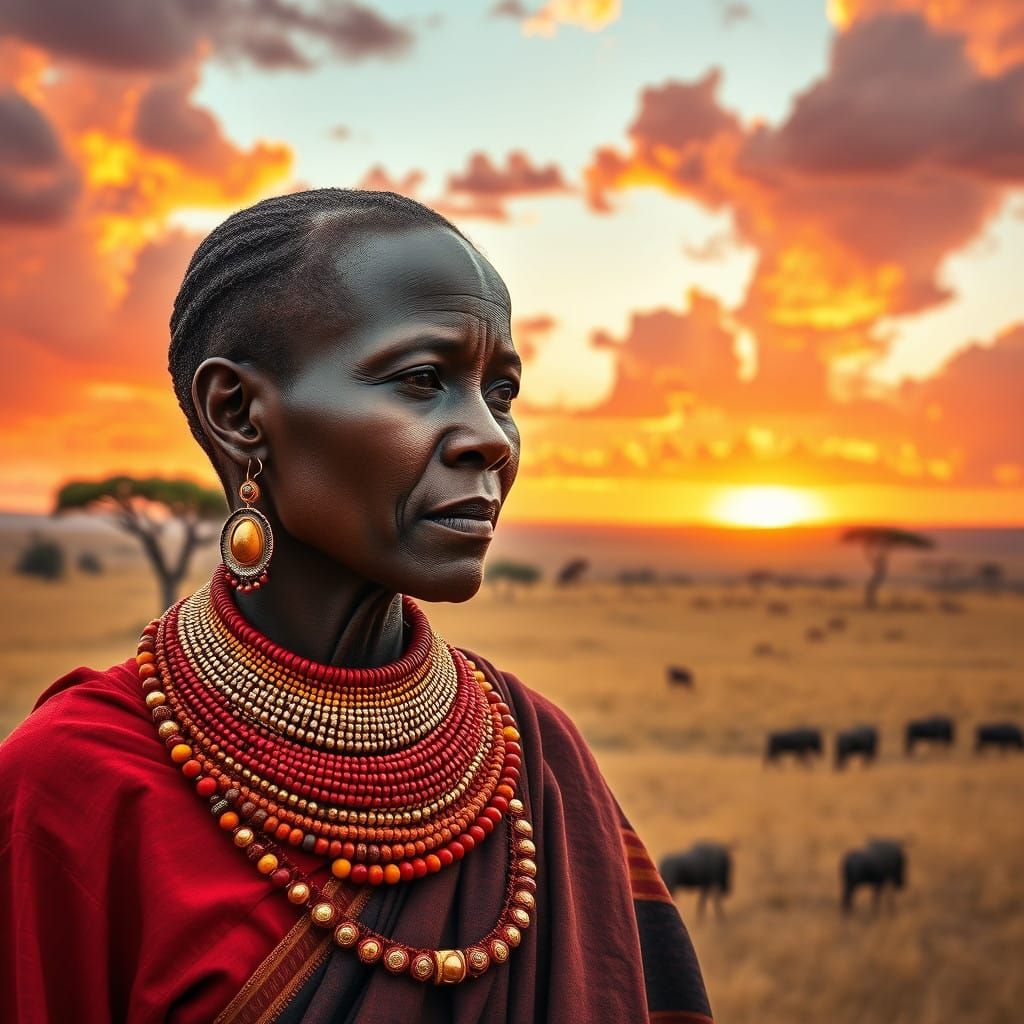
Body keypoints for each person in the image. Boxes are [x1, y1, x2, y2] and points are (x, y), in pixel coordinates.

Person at [0, 189, 712, 1023]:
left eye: (502, 392)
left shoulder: (539, 759)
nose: (489, 436)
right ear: (238, 414)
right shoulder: (73, 792)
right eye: (422, 379)